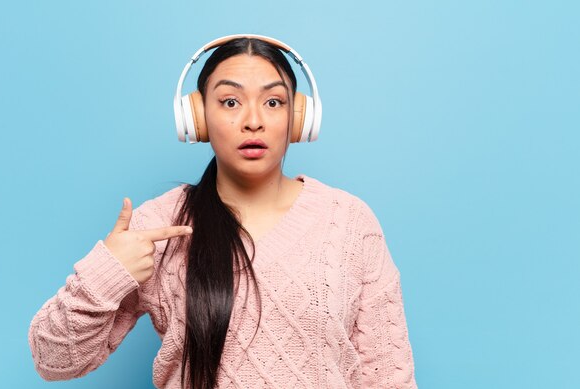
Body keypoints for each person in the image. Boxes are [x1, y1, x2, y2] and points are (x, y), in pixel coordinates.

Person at [28, 35, 418, 389]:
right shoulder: (161, 226)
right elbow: (53, 360)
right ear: (197, 118)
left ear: (299, 118)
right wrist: (108, 270)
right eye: (230, 102)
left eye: (273, 102)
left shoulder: (349, 221)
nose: (253, 120)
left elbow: (389, 374)